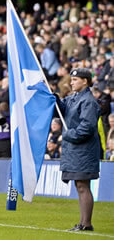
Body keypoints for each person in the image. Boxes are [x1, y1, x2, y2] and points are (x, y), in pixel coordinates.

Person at [55, 68, 100, 231]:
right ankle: (83, 223)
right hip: (75, 151)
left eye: (75, 80)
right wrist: (54, 99)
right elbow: (61, 110)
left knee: (83, 185)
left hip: (84, 151)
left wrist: (67, 134)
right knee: (80, 186)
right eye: (71, 79)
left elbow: (87, 127)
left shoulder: (88, 101)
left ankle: (86, 223)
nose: (71, 82)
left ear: (85, 81)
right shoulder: (72, 98)